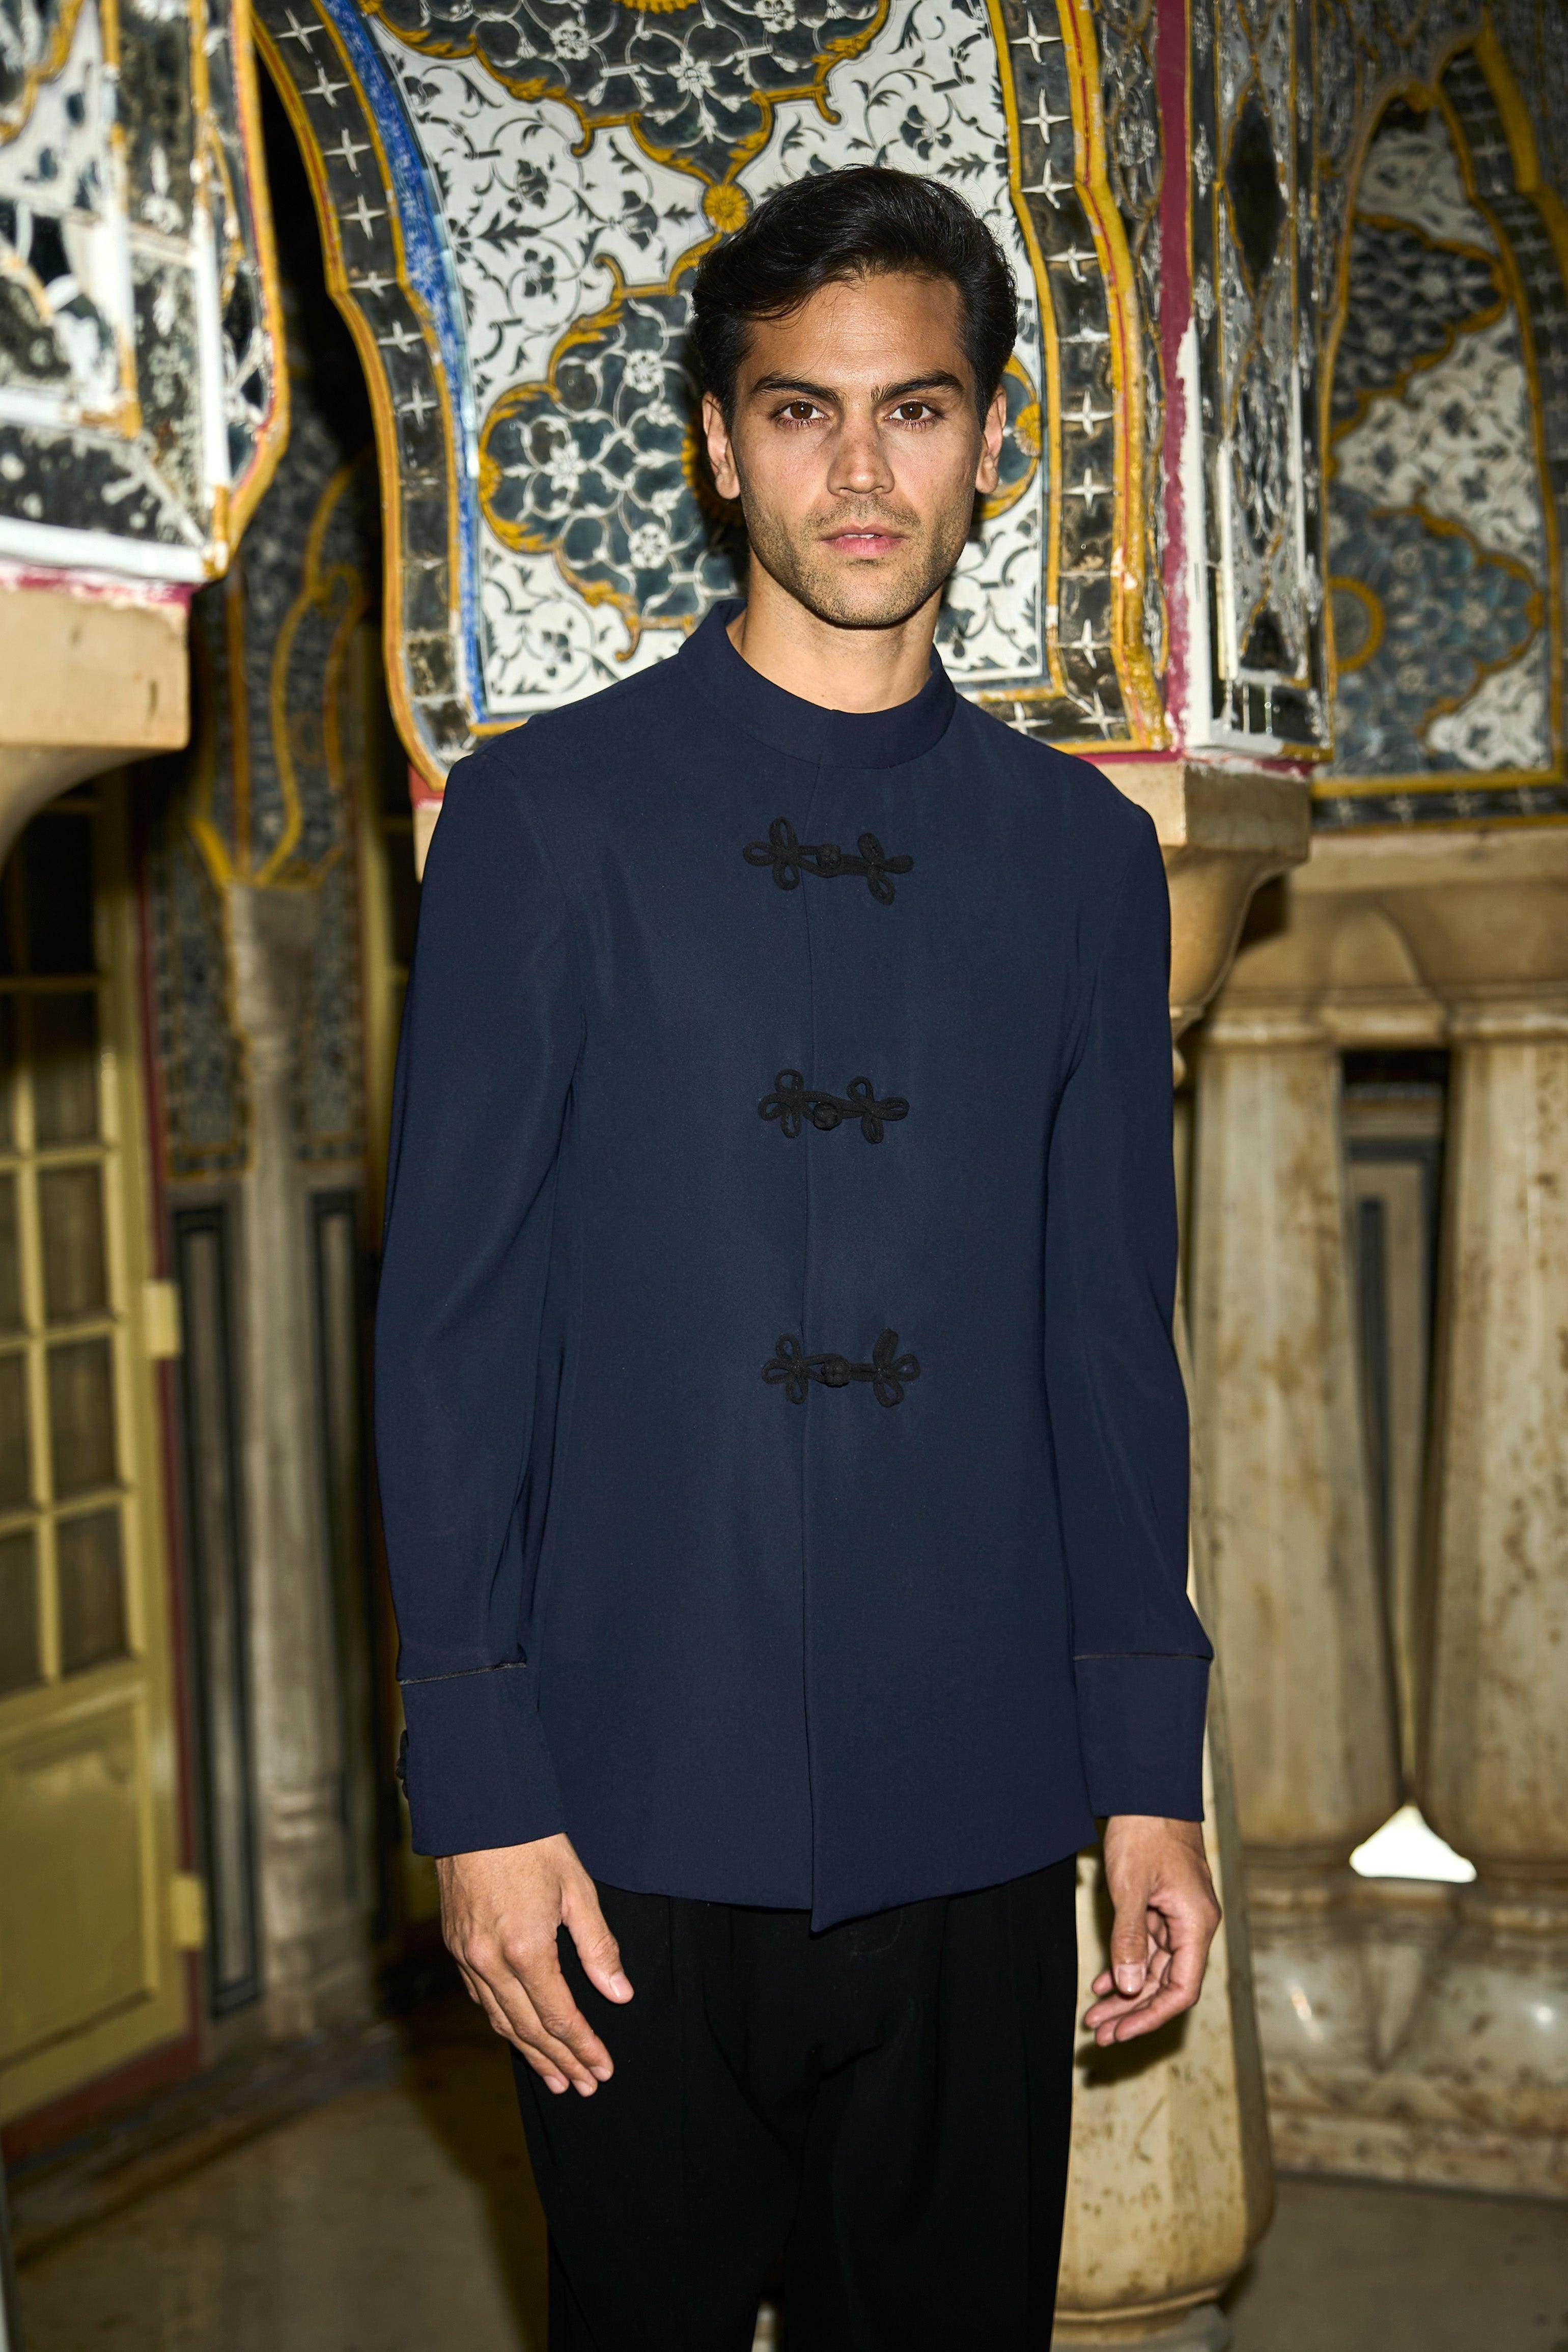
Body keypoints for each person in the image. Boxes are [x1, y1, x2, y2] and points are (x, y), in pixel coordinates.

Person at [375, 164, 1220, 2351]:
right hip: (620, 1809)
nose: (860, 471)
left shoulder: (1080, 859)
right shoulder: (540, 821)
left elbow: (1106, 1347)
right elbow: (450, 1340)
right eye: (800, 410)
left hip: (979, 1803)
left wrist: (1148, 1774)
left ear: (988, 444)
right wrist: (480, 1792)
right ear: (716, 443)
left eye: (913, 410)